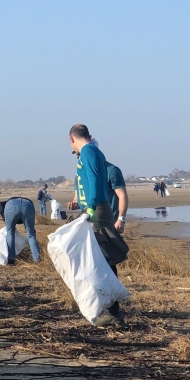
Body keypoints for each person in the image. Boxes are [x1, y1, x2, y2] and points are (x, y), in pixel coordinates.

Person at [65, 125, 127, 326]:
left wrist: (90, 208)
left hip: (97, 211)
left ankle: (113, 311)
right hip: (95, 209)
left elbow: (93, 180)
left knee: (102, 259)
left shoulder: (89, 151)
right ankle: (106, 307)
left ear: (71, 139)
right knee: (98, 257)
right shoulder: (90, 152)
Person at [0, 197, 41, 264]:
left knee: (10, 233)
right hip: (28, 205)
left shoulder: (5, 204)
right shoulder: (27, 202)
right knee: (31, 234)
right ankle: (37, 259)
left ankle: (11, 259)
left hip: (11, 205)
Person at [107, 163, 129, 234]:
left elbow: (122, 195)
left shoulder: (112, 171)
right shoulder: (82, 171)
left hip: (111, 220)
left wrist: (121, 219)